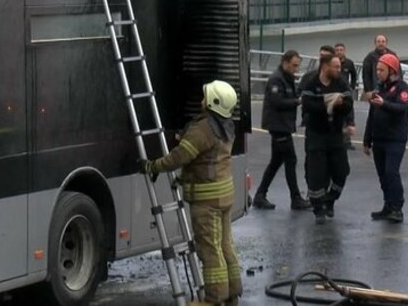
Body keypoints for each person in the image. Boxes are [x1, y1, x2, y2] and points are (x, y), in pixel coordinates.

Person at [138, 80, 241, 306]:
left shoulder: (203, 128)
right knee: (225, 246)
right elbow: (207, 162)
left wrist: (151, 166)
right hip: (224, 196)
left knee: (209, 249)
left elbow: (179, 157)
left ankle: (213, 299)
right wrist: (183, 178)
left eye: (205, 97)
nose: (202, 100)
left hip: (207, 201)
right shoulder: (226, 124)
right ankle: (232, 294)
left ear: (213, 102)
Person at [252, 50, 311, 211]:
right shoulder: (276, 79)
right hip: (278, 127)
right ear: (285, 63)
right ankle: (295, 198)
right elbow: (277, 102)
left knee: (276, 162)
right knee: (290, 160)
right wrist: (296, 101)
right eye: (294, 65)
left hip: (283, 126)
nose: (296, 69)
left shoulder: (287, 78)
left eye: (297, 66)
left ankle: (260, 194)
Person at [300, 55, 354, 224]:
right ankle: (318, 208)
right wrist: (327, 102)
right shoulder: (311, 83)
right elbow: (308, 105)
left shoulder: (341, 83)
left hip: (336, 135)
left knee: (342, 170)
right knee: (317, 174)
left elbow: (349, 103)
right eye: (336, 67)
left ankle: (330, 199)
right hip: (316, 135)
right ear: (325, 67)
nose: (339, 70)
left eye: (339, 67)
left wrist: (340, 105)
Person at [363, 53, 408, 223]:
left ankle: (397, 207)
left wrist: (384, 104)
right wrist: (366, 139)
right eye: (377, 69)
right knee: (382, 175)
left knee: (391, 172)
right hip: (379, 138)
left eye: (381, 70)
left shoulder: (402, 88)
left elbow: (403, 108)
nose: (378, 73)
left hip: (395, 139)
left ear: (392, 70)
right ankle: (388, 205)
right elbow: (372, 115)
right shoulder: (379, 89)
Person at [335, 43, 358, 150]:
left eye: (341, 50)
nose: (339, 52)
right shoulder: (333, 63)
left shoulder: (349, 63)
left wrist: (352, 87)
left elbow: (354, 75)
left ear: (344, 51)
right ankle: (337, 140)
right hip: (335, 92)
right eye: (337, 50)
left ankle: (347, 141)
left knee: (348, 115)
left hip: (346, 92)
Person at [361, 34, 396, 99]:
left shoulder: (392, 55)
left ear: (386, 43)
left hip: (391, 89)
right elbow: (366, 75)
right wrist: (368, 91)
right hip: (376, 90)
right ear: (375, 43)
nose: (381, 43)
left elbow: (398, 72)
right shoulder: (370, 57)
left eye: (383, 41)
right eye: (378, 41)